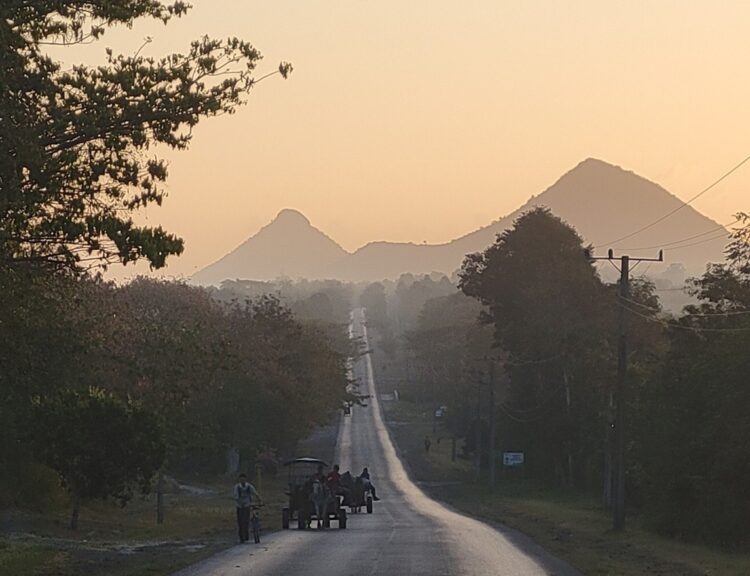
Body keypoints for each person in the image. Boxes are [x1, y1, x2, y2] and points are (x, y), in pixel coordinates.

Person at [233, 473, 262, 543]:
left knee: (246, 521)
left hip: (247, 505)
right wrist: (240, 503)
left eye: (244, 479)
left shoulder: (249, 486)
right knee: (240, 522)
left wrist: (260, 500)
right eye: (241, 479)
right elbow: (236, 497)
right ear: (239, 480)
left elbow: (255, 493)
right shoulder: (237, 487)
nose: (242, 480)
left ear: (245, 479)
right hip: (239, 506)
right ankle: (241, 538)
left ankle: (246, 536)